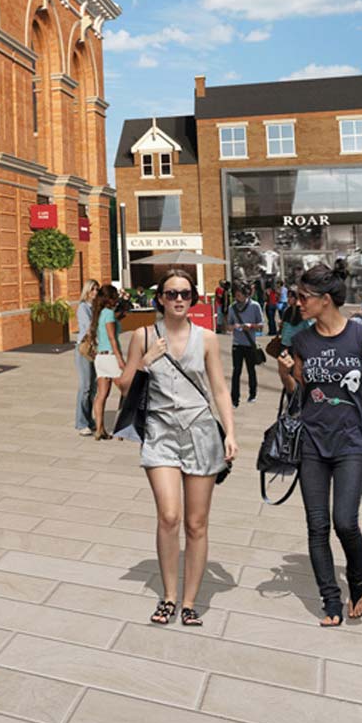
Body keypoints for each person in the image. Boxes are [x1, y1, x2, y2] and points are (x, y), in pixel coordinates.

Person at [276, 265, 362, 626]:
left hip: (352, 442)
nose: (296, 303)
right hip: (312, 443)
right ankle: (330, 599)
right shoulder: (302, 341)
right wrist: (286, 373)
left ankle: (357, 579)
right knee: (317, 526)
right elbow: (298, 394)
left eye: (303, 297)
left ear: (325, 299)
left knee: (345, 522)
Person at [110, 269, 236, 627]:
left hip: (200, 433)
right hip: (160, 432)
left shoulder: (207, 339)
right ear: (160, 299)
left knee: (196, 524)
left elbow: (219, 390)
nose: (178, 299)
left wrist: (230, 432)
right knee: (169, 516)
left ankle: (190, 600)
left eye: (184, 293)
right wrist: (146, 360)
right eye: (170, 294)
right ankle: (168, 595)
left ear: (193, 298)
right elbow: (123, 387)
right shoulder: (143, 335)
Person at [90, 285, 124, 440]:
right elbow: (112, 338)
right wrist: (120, 359)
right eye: (114, 296)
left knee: (101, 394)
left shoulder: (99, 314)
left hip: (100, 358)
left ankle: (99, 429)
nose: (116, 298)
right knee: (126, 391)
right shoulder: (108, 313)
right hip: (110, 356)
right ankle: (122, 428)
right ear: (109, 298)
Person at [226, 284, 265, 406]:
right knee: (236, 371)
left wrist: (251, 326)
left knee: (251, 370)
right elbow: (228, 326)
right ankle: (234, 399)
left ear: (246, 294)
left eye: (239, 295)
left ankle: (252, 394)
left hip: (250, 344)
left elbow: (261, 324)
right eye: (235, 295)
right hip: (237, 344)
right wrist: (234, 327)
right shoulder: (232, 308)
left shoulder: (255, 306)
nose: (237, 297)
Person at [74, 279, 99, 435]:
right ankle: (81, 422)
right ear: (87, 291)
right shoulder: (83, 308)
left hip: (95, 349)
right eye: (92, 289)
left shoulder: (97, 308)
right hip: (84, 349)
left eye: (97, 289)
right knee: (85, 387)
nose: (95, 292)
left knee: (93, 388)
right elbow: (89, 328)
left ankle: (89, 420)